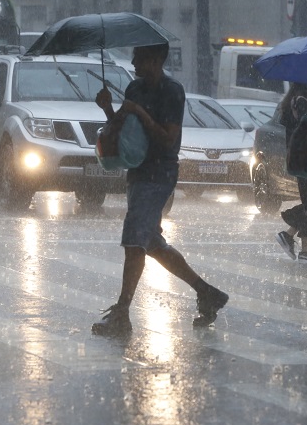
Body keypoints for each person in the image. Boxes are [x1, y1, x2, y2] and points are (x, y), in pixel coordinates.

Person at [92, 42, 229, 336]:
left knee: (134, 241)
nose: (134, 64)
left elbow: (168, 138)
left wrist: (140, 112)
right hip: (138, 171)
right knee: (150, 242)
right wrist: (109, 110)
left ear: (155, 60)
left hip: (159, 173)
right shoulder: (134, 89)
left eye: (139, 59)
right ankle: (207, 292)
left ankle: (122, 312)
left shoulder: (172, 92)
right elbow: (123, 131)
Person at [275, 83, 307, 262]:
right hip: (306, 161)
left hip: (299, 160)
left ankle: (297, 242)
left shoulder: (293, 102)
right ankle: (301, 247)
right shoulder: (302, 103)